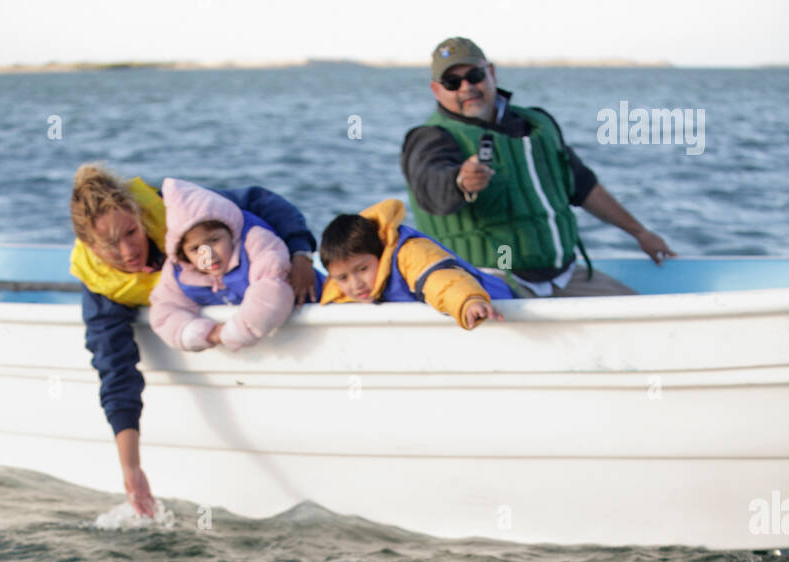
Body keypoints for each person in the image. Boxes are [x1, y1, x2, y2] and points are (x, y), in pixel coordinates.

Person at [69, 165, 319, 517]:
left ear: (142, 218)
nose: (128, 251)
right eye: (110, 244)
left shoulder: (181, 214)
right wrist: (131, 468)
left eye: (131, 232)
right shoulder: (103, 289)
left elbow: (257, 201)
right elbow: (116, 371)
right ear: (90, 246)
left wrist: (300, 253)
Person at [401, 36, 676, 299]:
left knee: (636, 314)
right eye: (452, 82)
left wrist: (641, 233)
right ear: (436, 90)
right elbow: (430, 185)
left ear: (491, 73)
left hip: (565, 275)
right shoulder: (430, 138)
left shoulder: (537, 126)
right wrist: (460, 181)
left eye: (474, 76)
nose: (466, 88)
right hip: (491, 278)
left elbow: (583, 187)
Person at [149, 179, 304, 351]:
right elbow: (164, 310)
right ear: (183, 254)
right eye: (195, 249)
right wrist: (203, 333)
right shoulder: (179, 271)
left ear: (231, 232)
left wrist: (234, 333)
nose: (208, 255)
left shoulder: (256, 242)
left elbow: (272, 289)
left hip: (309, 304)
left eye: (214, 240)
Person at [319, 197, 512, 327]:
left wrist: (468, 301)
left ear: (380, 252)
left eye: (362, 269)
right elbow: (323, 293)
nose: (355, 284)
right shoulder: (340, 288)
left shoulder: (410, 254)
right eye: (343, 277)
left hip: (496, 301)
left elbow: (443, 282)